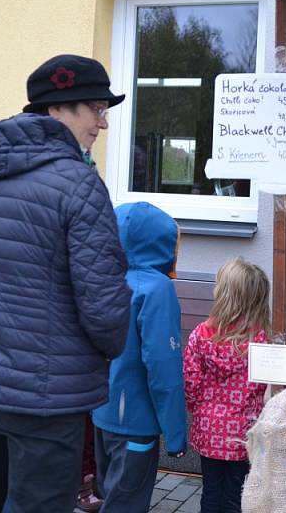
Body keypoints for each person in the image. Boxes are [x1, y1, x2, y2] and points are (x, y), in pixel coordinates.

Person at [0, 54, 133, 513]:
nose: (102, 124)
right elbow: (104, 307)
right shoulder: (78, 184)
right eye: (95, 109)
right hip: (47, 396)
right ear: (55, 109)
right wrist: (110, 348)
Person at [92, 201, 187, 513]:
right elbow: (162, 367)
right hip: (135, 420)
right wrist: (175, 435)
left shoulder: (105, 279)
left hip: (101, 414)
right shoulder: (156, 289)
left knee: (112, 496)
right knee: (127, 504)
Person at [183, 258, 271, 513]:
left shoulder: (201, 334)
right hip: (243, 432)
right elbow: (267, 388)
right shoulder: (261, 340)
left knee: (210, 492)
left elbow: (191, 383)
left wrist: (199, 411)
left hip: (209, 428)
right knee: (235, 496)